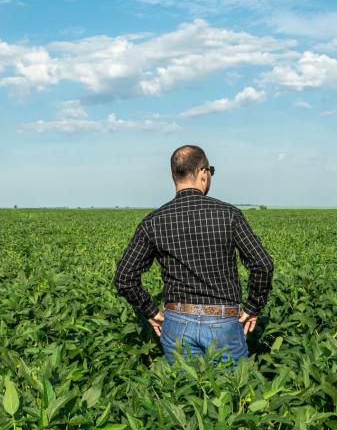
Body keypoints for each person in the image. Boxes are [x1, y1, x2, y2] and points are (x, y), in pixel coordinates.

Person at [114, 145, 274, 368]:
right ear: (203, 172)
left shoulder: (153, 221)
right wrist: (252, 308)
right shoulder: (229, 215)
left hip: (176, 321)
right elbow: (262, 265)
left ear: (173, 176)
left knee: (185, 396)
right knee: (232, 394)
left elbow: (124, 276)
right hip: (223, 320)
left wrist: (150, 312)